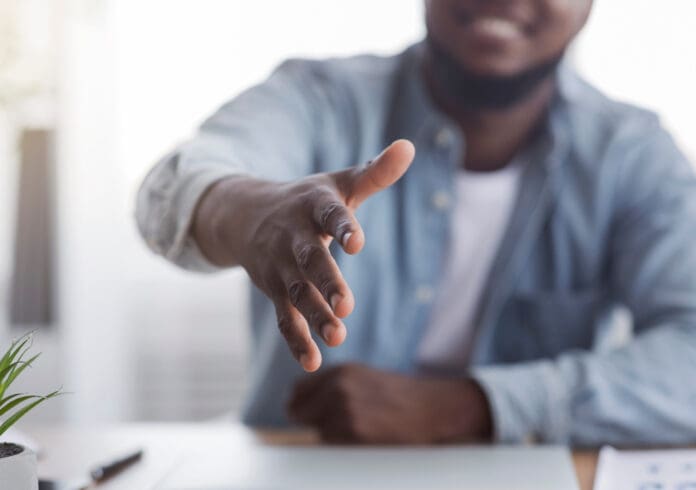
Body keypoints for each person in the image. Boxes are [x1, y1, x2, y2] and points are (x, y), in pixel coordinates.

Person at [136, 0, 696, 446]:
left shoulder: (631, 155)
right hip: (304, 460)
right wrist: (250, 210)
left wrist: (469, 406)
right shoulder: (322, 98)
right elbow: (172, 187)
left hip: (527, 469)